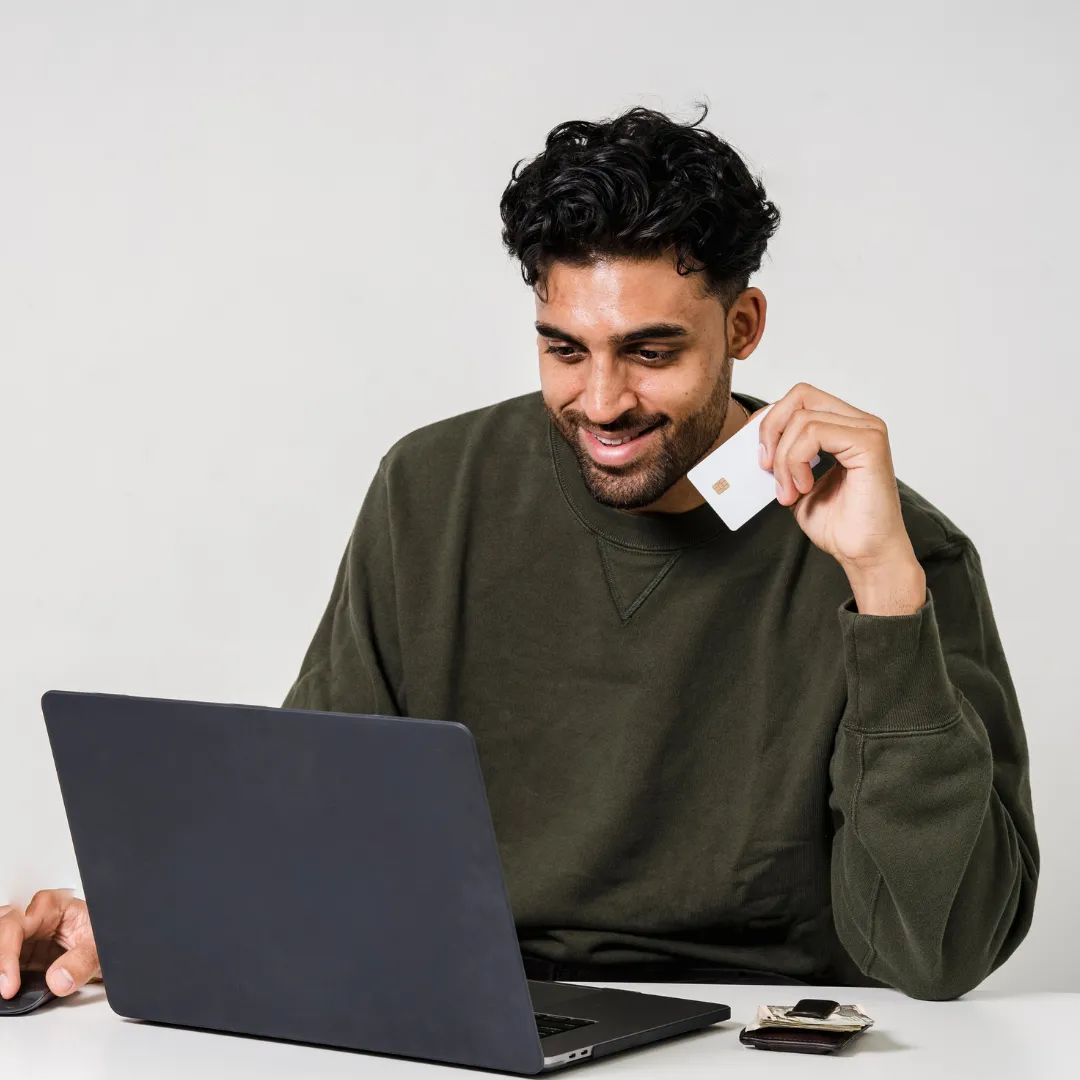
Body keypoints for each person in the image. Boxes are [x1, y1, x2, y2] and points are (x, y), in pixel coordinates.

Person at [0, 103, 1038, 1005]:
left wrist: (885, 594)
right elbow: (313, 829)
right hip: (475, 1011)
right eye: (562, 347)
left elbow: (941, 956)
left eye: (652, 351)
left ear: (745, 323)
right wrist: (129, 922)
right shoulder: (434, 490)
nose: (601, 402)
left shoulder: (895, 547)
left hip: (761, 1035)